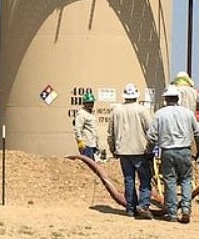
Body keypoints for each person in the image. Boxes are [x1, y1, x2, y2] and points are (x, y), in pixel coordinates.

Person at [147, 84, 199, 223]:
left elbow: (152, 136)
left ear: (165, 99)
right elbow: (197, 133)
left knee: (169, 181)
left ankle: (172, 213)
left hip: (168, 152)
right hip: (185, 150)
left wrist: (149, 152)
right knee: (186, 180)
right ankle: (186, 209)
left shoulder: (160, 114)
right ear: (178, 98)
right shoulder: (188, 113)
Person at [107, 83, 152, 219]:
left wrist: (113, 149)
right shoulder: (142, 110)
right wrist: (151, 148)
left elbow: (110, 133)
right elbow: (150, 130)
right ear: (136, 96)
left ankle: (131, 208)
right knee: (145, 179)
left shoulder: (116, 111)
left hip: (123, 151)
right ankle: (143, 206)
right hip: (140, 150)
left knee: (129, 179)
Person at [73, 92, 98, 161]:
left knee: (93, 164)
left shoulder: (90, 113)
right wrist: (80, 142)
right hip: (86, 144)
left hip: (92, 144)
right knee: (89, 164)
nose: (90, 104)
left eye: (92, 102)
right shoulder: (81, 114)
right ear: (84, 103)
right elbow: (77, 129)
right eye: (88, 102)